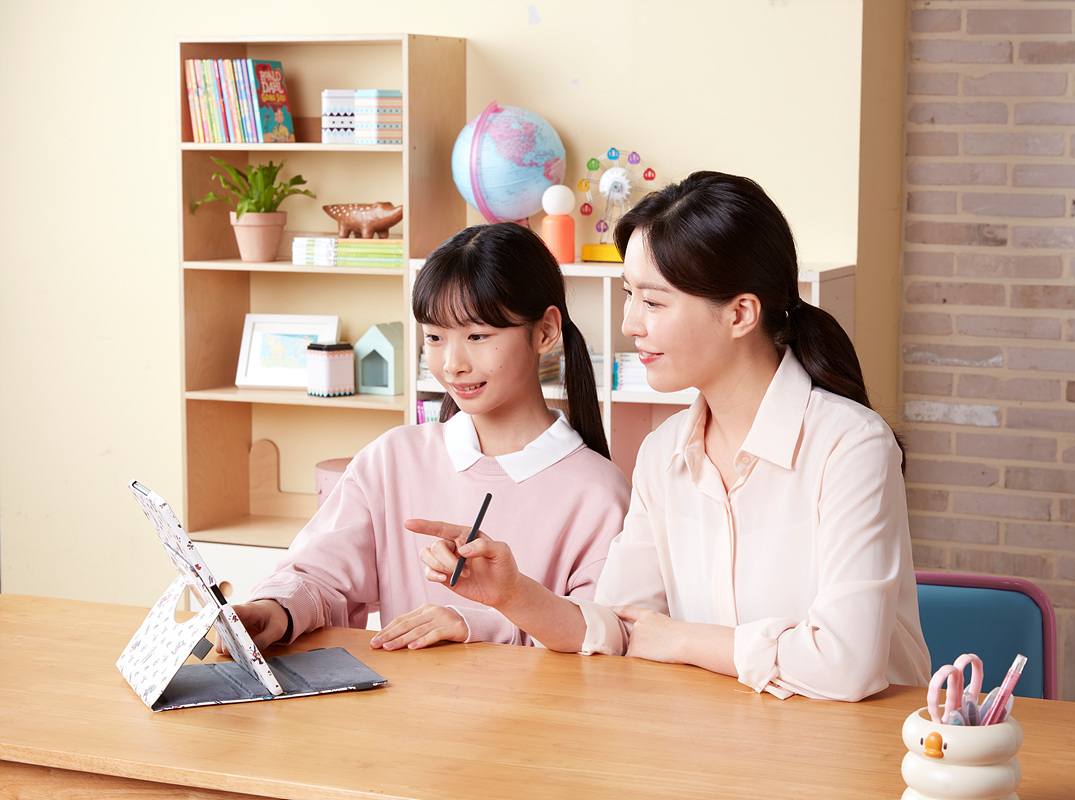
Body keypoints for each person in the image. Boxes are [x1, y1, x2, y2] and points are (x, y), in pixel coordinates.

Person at [413, 171, 931, 701]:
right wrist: (512, 594)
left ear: (740, 313)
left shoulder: (851, 446)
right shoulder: (664, 454)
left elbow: (845, 664)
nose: (630, 324)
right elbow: (618, 626)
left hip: (853, 753)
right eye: (629, 295)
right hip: (714, 746)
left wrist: (680, 639)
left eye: (654, 303)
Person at [221, 222, 630, 654]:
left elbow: (601, 640)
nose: (452, 364)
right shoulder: (391, 459)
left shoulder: (600, 493)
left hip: (537, 720)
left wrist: (472, 624)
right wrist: (275, 610)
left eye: (477, 336)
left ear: (546, 331)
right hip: (404, 715)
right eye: (434, 337)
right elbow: (317, 578)